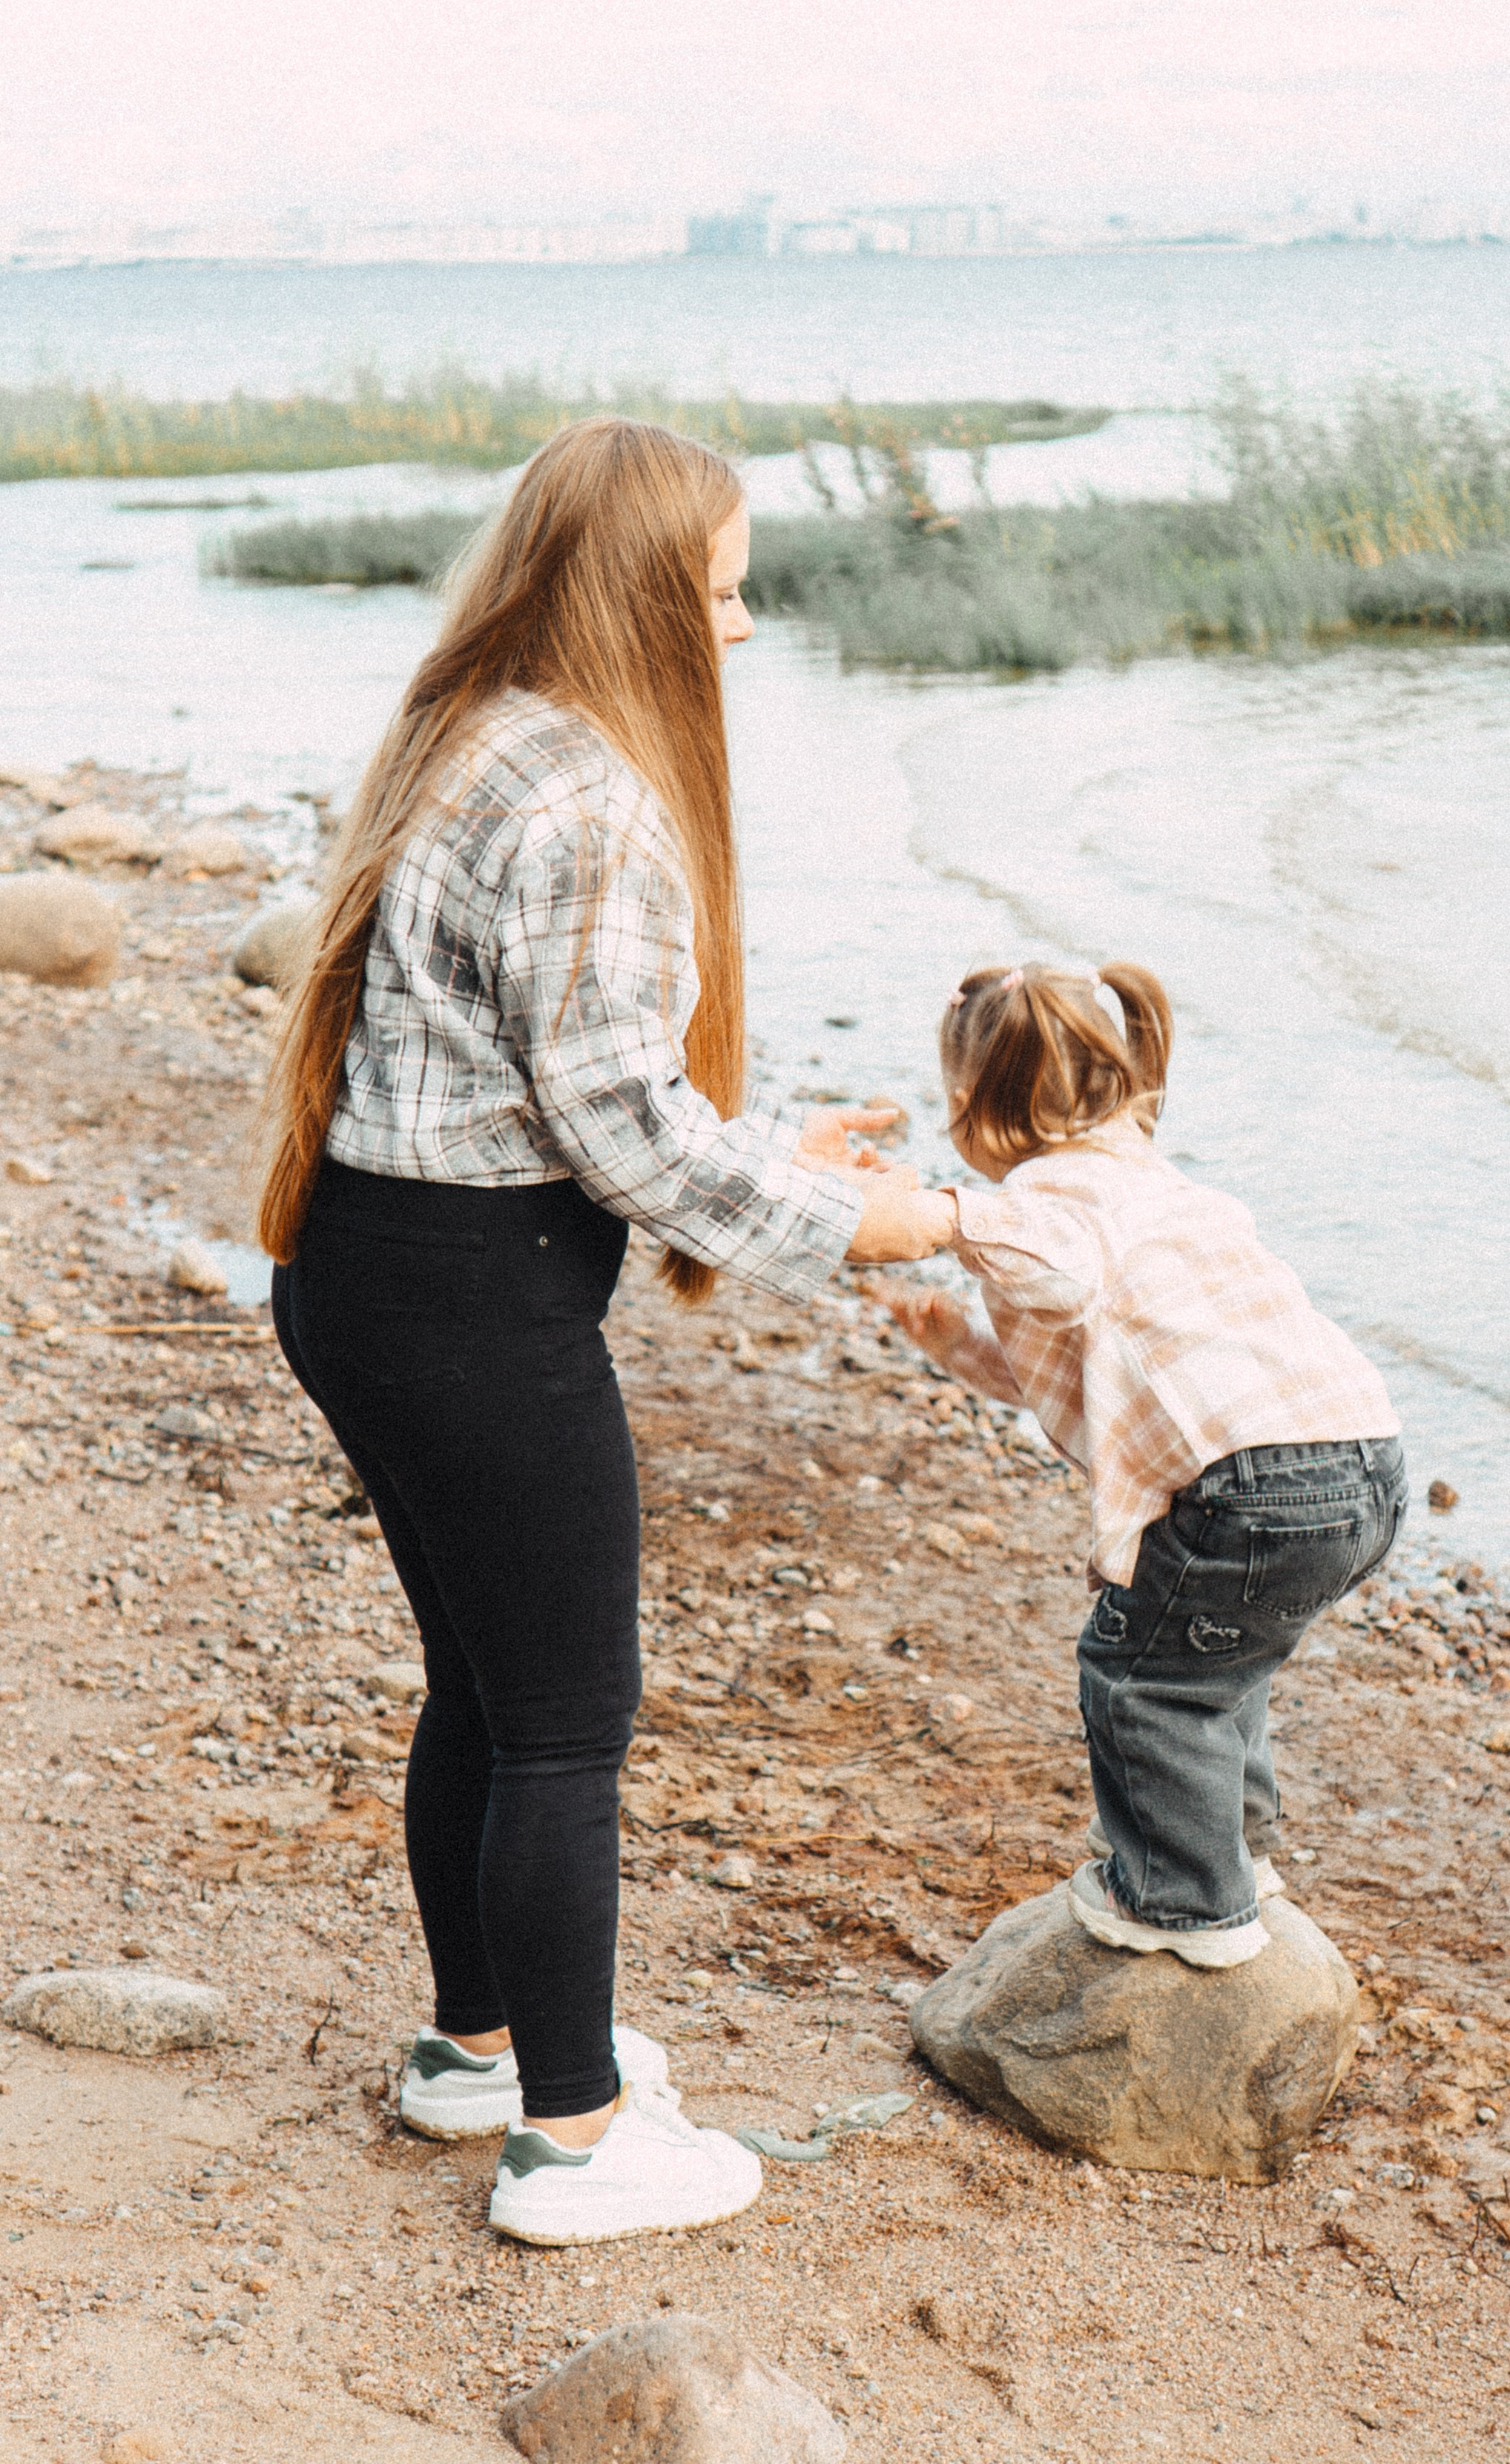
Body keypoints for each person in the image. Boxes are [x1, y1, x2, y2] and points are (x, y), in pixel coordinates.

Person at [257, 417, 955, 2247]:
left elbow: (566, 1085)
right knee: (567, 1719)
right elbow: (624, 1129)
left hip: (367, 1271)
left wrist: (761, 1157)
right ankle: (571, 2140)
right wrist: (882, 1225)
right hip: (470, 1305)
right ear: (639, 592)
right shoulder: (587, 800)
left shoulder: (468, 730)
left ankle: (477, 2050)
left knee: (487, 1690)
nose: (739, 626)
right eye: (720, 591)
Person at [877, 959, 1405, 1968]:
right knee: (1216, 1663)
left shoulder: (1051, 1200)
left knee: (1137, 1680)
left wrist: (945, 1219)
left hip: (1248, 1489)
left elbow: (1065, 1268)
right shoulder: (1162, 1188)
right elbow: (1094, 1359)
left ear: (968, 1107)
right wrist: (953, 1343)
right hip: (1364, 1463)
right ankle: (1237, 1849)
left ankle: (1185, 1901)